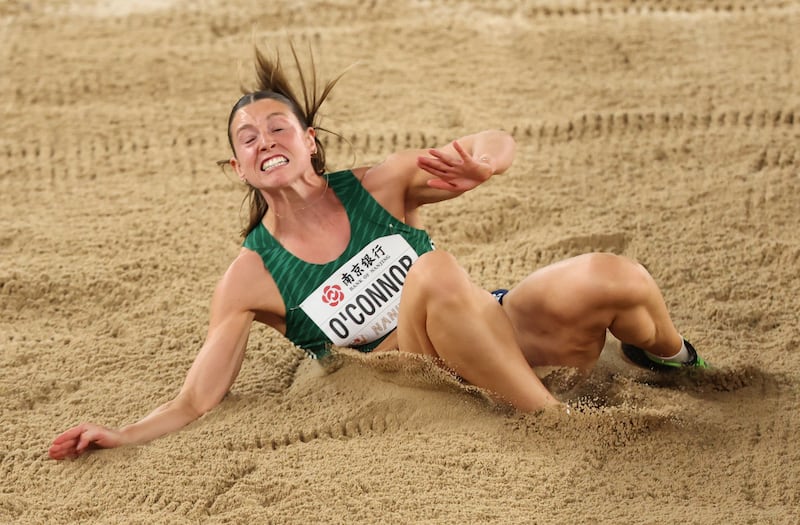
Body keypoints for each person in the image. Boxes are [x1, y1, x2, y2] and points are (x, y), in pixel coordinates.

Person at [48, 45, 709, 461]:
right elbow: (197, 400)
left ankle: (673, 359)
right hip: (421, 368)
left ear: (309, 141)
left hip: (491, 327)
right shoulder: (250, 275)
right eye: (247, 138)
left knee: (613, 275)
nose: (263, 139)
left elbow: (486, 142)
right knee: (434, 269)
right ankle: (556, 422)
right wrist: (122, 433)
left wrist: (489, 158)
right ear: (238, 167)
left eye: (277, 125)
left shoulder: (378, 184)